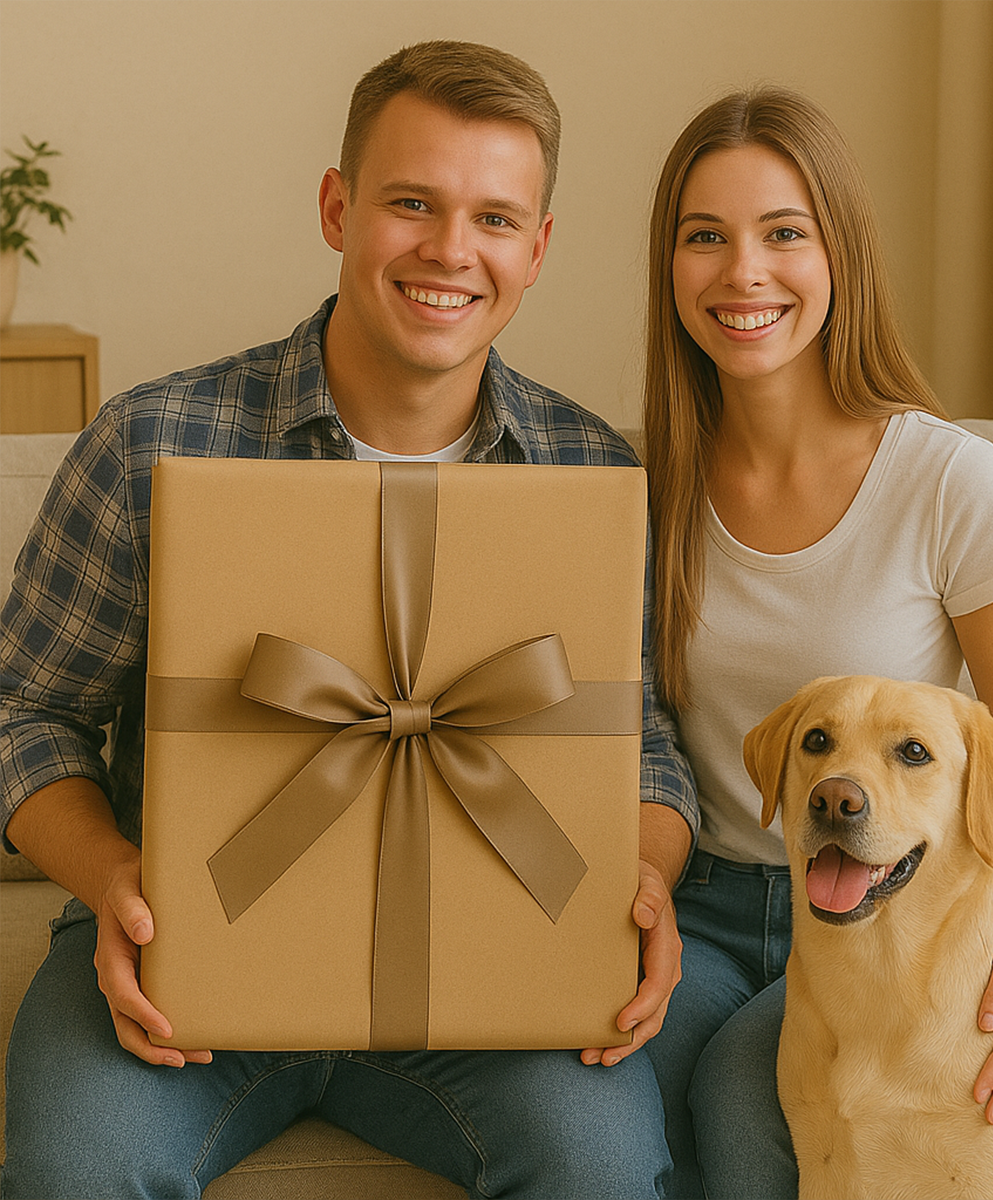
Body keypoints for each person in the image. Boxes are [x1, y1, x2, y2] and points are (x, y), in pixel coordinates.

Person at [0, 41, 697, 1200]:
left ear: (538, 247)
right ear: (337, 208)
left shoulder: (590, 471)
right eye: (411, 203)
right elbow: (23, 709)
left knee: (604, 1166)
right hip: (181, 953)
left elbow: (644, 744)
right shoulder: (150, 442)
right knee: (77, 1165)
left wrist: (646, 882)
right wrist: (112, 876)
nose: (449, 251)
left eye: (493, 217)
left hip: (493, 986)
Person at [637, 87, 993, 1199]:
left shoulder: (948, 482)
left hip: (894, 910)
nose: (744, 271)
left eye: (784, 233)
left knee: (745, 1112)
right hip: (700, 898)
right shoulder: (643, 484)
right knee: (586, 1087)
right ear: (672, 268)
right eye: (707, 237)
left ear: (840, 254)